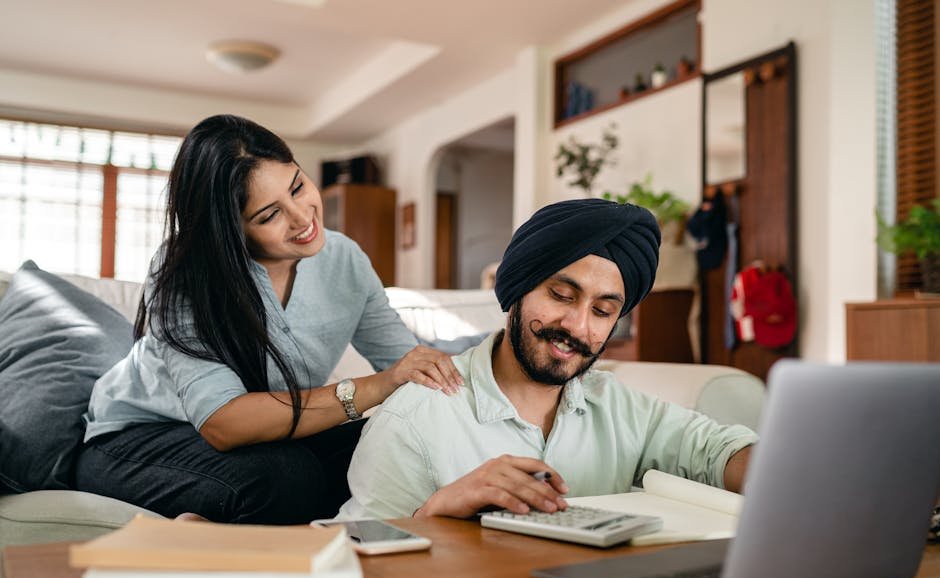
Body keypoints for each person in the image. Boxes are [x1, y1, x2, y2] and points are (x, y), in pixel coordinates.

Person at [75, 114, 462, 524]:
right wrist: (375, 386)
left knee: (391, 447)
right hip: (137, 439)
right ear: (229, 230)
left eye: (297, 187)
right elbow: (224, 423)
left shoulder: (344, 259)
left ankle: (219, 531)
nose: (302, 218)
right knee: (285, 478)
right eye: (269, 215)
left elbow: (408, 367)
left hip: (266, 441)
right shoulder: (187, 272)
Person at [340, 199, 757, 520]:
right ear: (517, 290)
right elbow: (358, 564)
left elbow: (715, 452)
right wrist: (434, 513)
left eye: (602, 311)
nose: (577, 326)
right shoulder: (414, 419)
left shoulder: (616, 407)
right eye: (561, 295)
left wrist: (778, 471)